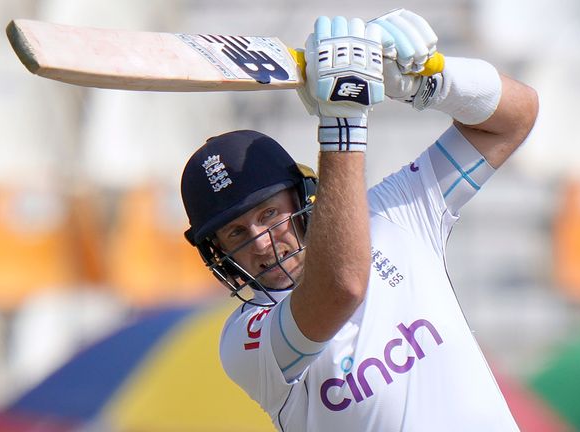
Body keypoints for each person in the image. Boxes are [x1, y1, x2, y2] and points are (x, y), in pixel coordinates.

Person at [180, 9, 538, 431]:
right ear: (218, 252)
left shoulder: (395, 213)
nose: (261, 243)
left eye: (269, 214)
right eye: (237, 231)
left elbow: (515, 118)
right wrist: (344, 118)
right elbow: (341, 286)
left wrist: (425, 82)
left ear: (303, 199)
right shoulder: (245, 341)